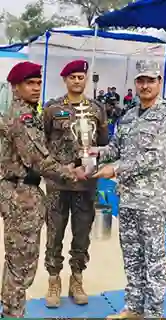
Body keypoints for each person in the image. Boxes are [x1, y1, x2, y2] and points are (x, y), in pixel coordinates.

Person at [91, 60, 166, 318]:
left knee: (154, 262)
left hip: (152, 201)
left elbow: (156, 157)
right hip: (128, 199)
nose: (145, 85)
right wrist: (91, 153)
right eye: (140, 80)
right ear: (135, 83)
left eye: (150, 80)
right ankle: (134, 307)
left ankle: (153, 313)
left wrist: (115, 169)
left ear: (159, 82)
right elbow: (114, 150)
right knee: (131, 258)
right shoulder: (129, 116)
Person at [0, 61, 87, 318]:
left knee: (15, 259)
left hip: (18, 190)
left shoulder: (27, 111)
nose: (36, 87)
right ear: (16, 87)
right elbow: (39, 160)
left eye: (39, 82)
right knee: (22, 264)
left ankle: (9, 307)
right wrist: (72, 172)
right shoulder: (23, 117)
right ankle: (14, 312)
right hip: (21, 195)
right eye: (30, 83)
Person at [41, 59, 109, 308]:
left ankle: (77, 278)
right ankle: (53, 279)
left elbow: (104, 143)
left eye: (81, 76)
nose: (77, 81)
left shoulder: (97, 109)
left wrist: (93, 165)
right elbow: (43, 143)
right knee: (54, 234)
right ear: (65, 80)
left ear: (86, 79)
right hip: (58, 185)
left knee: (81, 235)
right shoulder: (51, 108)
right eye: (73, 77)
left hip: (86, 185)